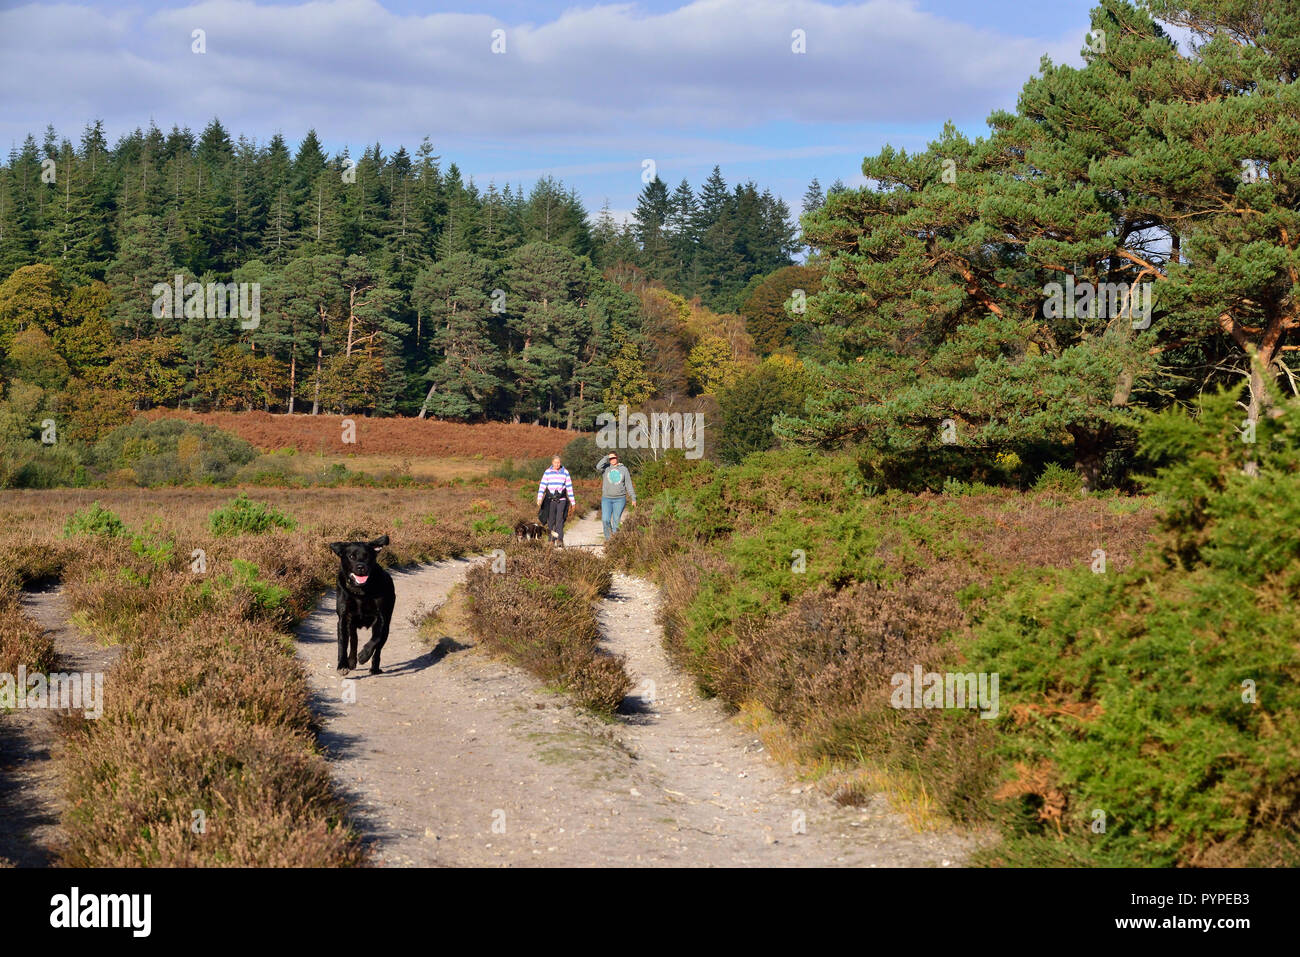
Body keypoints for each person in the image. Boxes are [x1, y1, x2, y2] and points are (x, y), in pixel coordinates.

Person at [596, 452, 636, 541]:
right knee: (605, 520)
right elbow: (598, 467)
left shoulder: (624, 469)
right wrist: (606, 457)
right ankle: (608, 540)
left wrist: (633, 497)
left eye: (614, 457)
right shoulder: (605, 468)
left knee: (616, 522)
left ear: (617, 458)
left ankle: (614, 542)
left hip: (620, 499)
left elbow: (628, 484)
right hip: (606, 499)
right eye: (610, 458)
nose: (612, 459)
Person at [536, 455, 575, 546]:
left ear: (560, 463)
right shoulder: (547, 472)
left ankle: (560, 539)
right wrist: (539, 497)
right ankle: (551, 540)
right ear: (552, 463)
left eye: (558, 462)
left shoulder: (565, 472)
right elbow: (542, 485)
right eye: (555, 462)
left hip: (562, 499)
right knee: (551, 520)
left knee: (559, 519)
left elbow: (569, 487)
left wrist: (573, 502)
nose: (557, 464)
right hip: (550, 500)